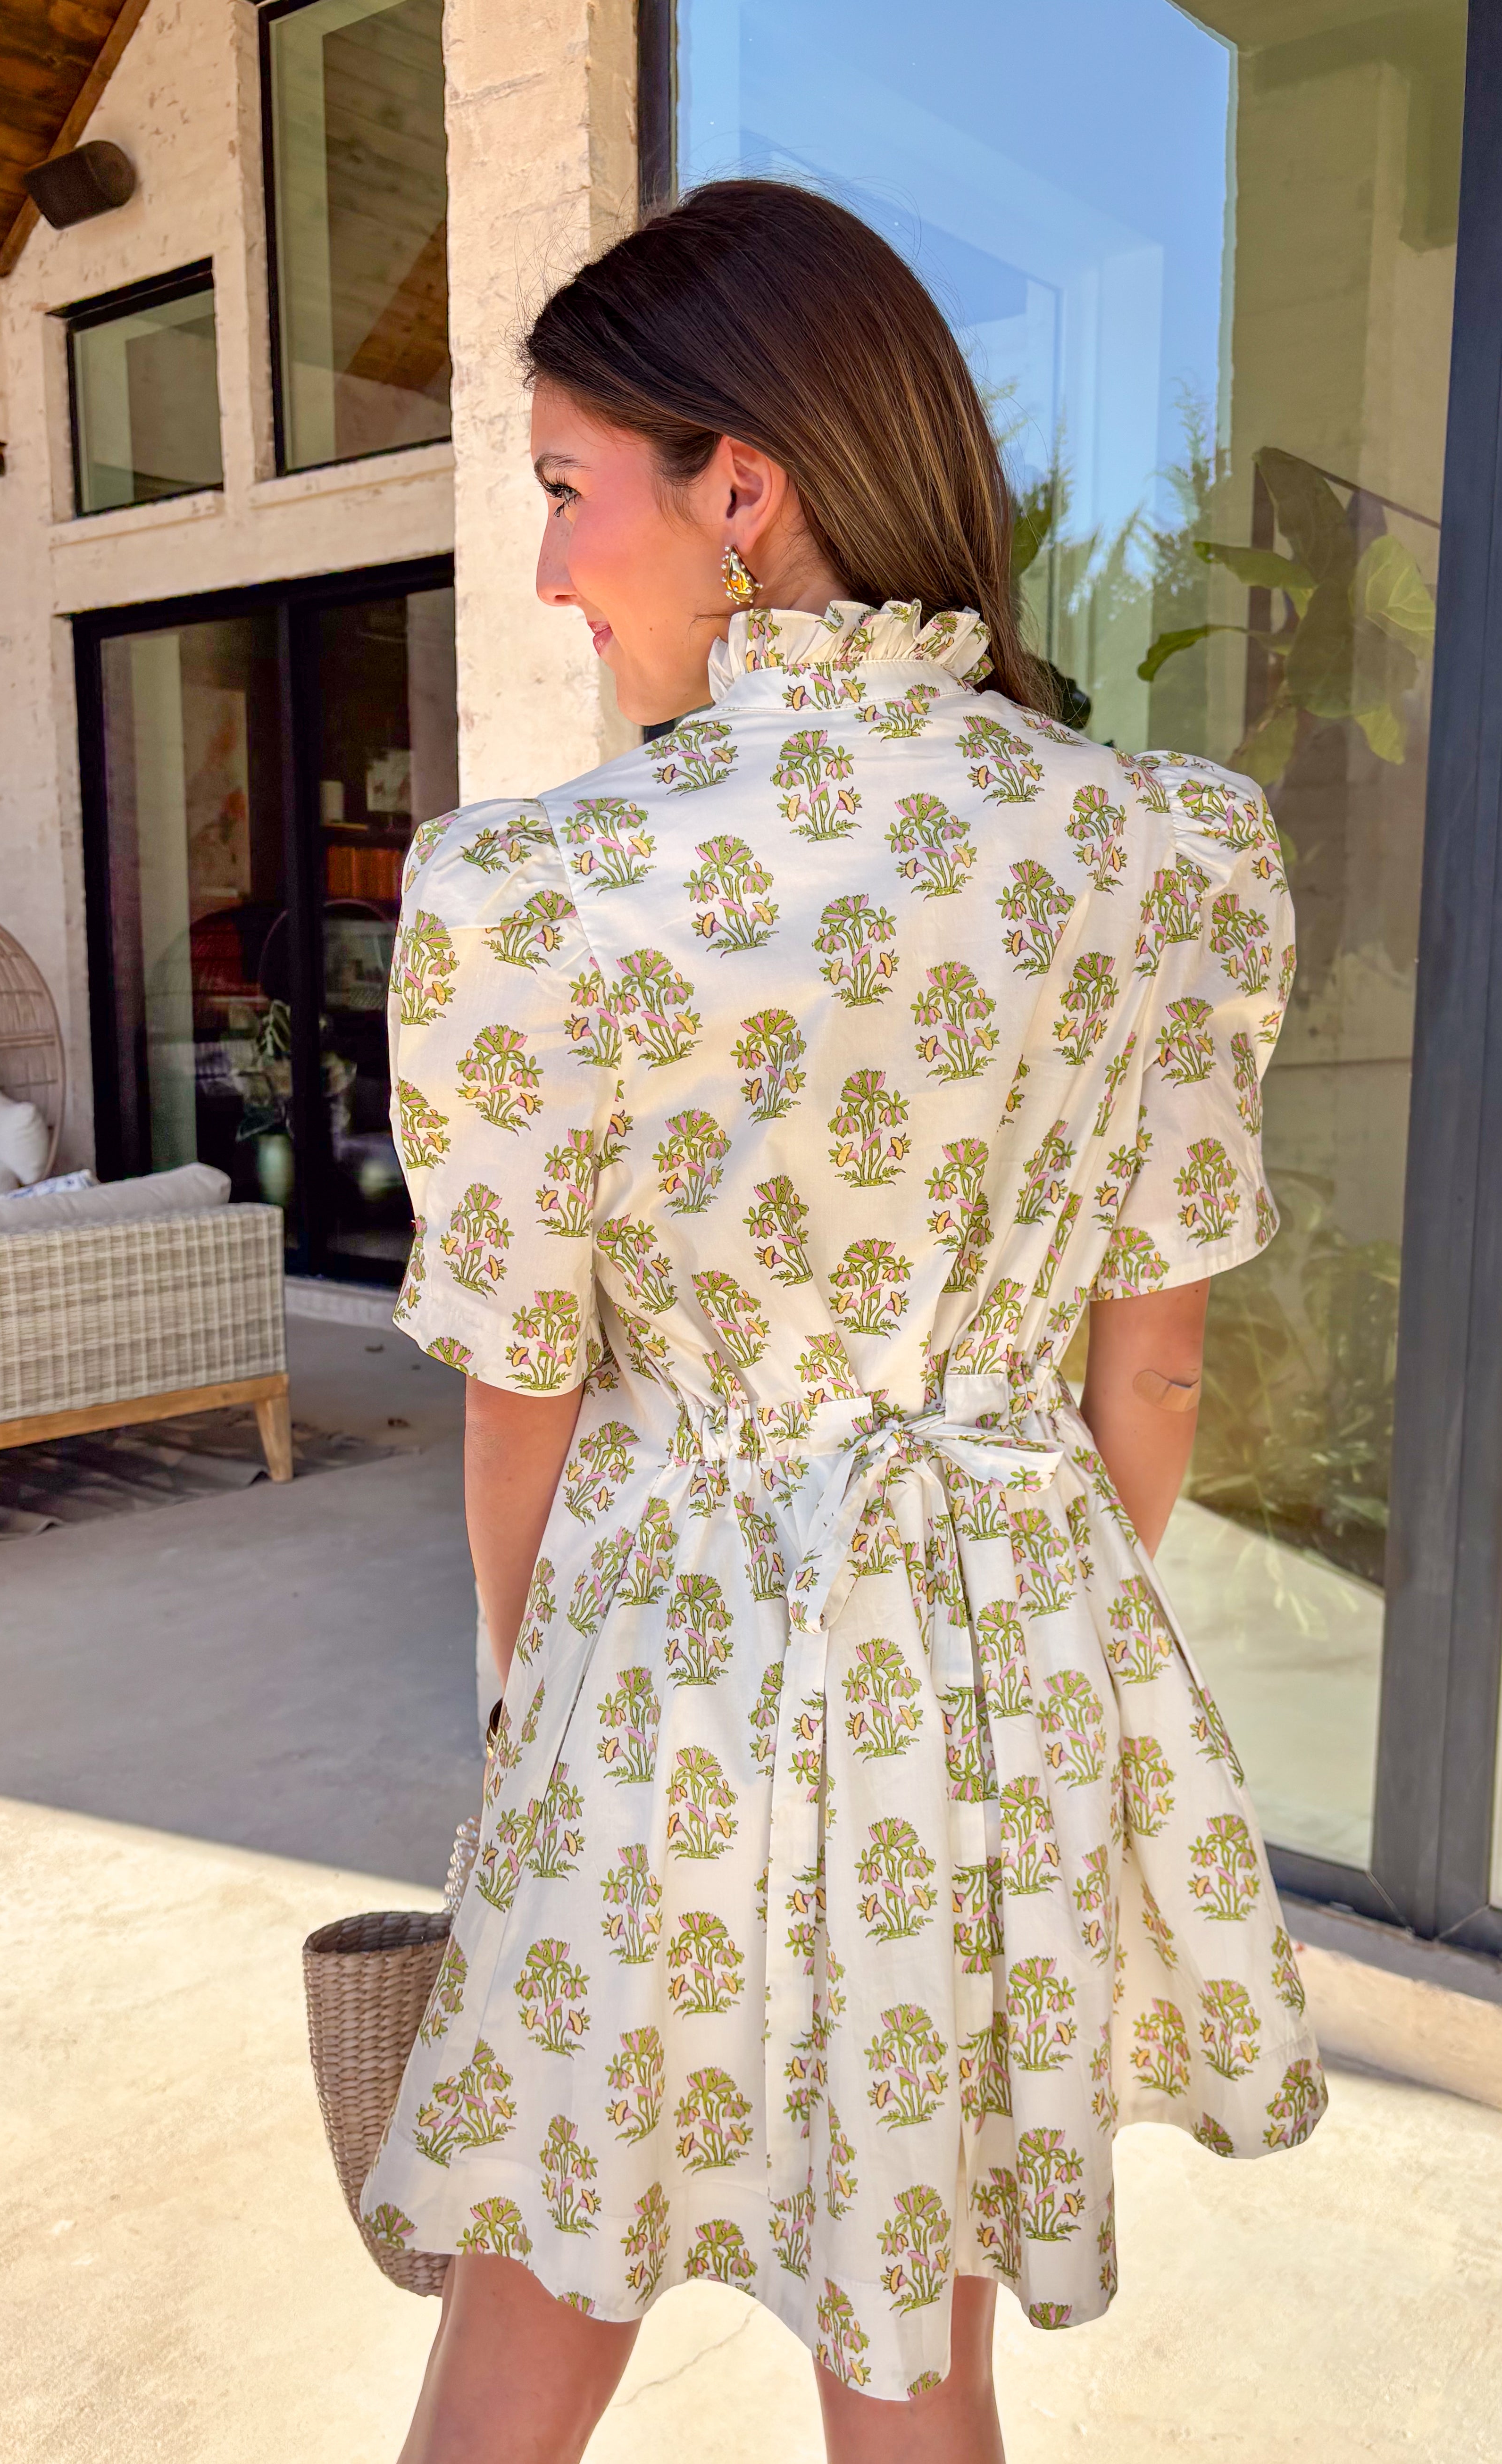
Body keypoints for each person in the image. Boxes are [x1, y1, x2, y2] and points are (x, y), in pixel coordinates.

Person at [362, 178, 1325, 2464]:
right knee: (916, 2356)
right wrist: (1019, 1639)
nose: (547, 569)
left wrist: (527, 1694)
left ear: (742, 491)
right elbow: (1152, 1367)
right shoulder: (1168, 850)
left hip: (659, 1684)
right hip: (993, 1672)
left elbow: (528, 1394)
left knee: (525, 2328)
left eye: (567, 492)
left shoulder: (537, 888)